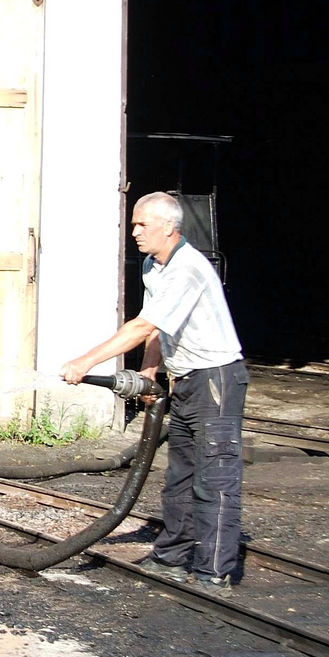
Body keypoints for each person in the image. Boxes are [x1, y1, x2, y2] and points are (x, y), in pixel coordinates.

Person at [61, 191, 248, 592]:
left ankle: (213, 570)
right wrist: (149, 372)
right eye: (133, 224)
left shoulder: (187, 269)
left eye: (142, 224)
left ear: (168, 226)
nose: (135, 232)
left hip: (216, 379)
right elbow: (158, 326)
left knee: (214, 477)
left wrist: (86, 361)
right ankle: (172, 558)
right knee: (180, 476)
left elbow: (142, 326)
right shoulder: (154, 265)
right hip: (185, 379)